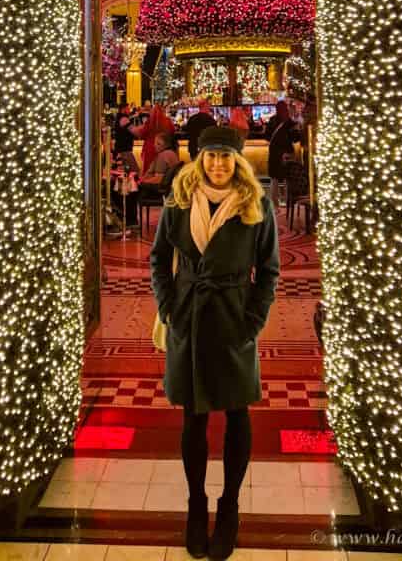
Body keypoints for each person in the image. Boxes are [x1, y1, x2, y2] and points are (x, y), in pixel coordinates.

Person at [150, 126, 280, 561]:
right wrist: (169, 307)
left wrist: (253, 322)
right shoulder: (179, 200)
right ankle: (195, 506)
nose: (219, 165)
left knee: (237, 414)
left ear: (237, 161)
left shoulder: (256, 204)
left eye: (226, 157)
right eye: (211, 157)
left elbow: (269, 269)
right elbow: (157, 259)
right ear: (199, 159)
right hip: (189, 317)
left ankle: (229, 507)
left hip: (232, 318)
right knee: (193, 418)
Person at [264, 100, 300, 212]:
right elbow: (295, 138)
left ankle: (275, 204)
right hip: (286, 153)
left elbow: (266, 136)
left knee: (274, 179)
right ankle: (286, 201)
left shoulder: (272, 120)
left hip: (274, 153)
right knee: (287, 178)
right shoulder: (290, 122)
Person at [131, 103, 176, 175]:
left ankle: (147, 184)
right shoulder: (167, 120)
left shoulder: (149, 121)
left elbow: (142, 134)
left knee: (149, 171)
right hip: (164, 147)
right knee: (163, 171)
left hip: (150, 148)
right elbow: (172, 132)